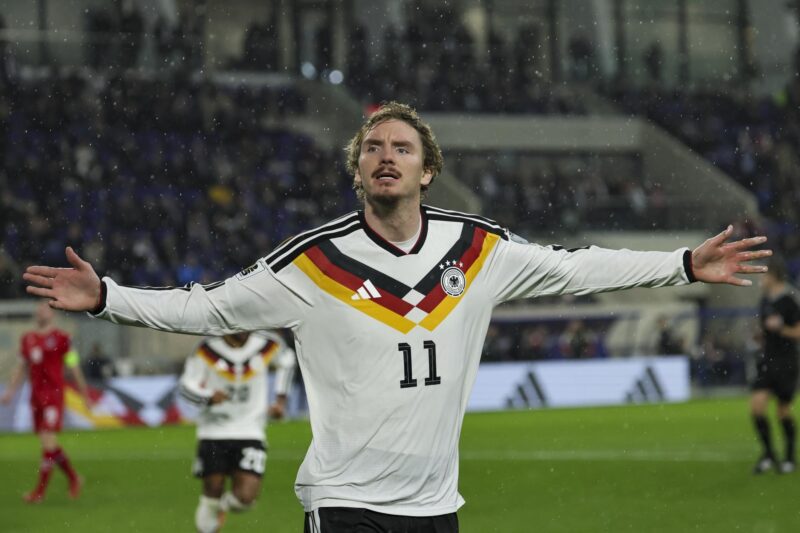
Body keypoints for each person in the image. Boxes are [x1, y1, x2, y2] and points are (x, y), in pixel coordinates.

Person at [24, 102, 771, 531]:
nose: (386, 156)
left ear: (427, 167)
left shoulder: (480, 250)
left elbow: (577, 265)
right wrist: (110, 296)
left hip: (436, 506)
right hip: (345, 504)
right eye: (372, 148)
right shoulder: (311, 262)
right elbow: (211, 305)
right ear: (357, 170)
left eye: (401, 147)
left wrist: (679, 263)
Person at [179, 330, 296, 533]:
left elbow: (287, 361)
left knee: (245, 498)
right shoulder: (207, 349)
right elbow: (186, 387)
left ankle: (222, 507)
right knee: (212, 490)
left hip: (251, 429)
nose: (243, 328)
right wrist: (206, 396)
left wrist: (280, 400)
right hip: (214, 431)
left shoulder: (266, 343)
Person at [0, 301, 93, 503]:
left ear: (52, 315)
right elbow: (21, 368)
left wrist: (85, 394)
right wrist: (10, 392)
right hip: (36, 396)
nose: (40, 312)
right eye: (38, 310)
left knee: (48, 442)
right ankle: (74, 478)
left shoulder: (62, 339)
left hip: (54, 395)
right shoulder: (28, 339)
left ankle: (39, 492)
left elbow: (74, 367)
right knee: (48, 443)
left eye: (44, 310)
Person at [751, 258, 800, 474]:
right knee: (757, 407)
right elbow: (764, 329)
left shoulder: (790, 300)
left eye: (764, 275)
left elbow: (798, 332)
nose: (761, 279)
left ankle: (789, 457)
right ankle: (769, 455)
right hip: (767, 360)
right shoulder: (764, 300)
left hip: (787, 361)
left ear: (773, 276)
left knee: (782, 411)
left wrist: (781, 330)